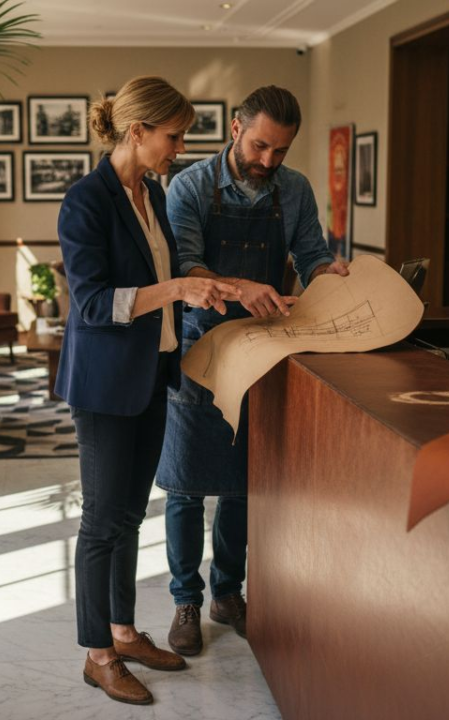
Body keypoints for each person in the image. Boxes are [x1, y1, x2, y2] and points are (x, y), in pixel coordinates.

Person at [56, 76, 239, 705]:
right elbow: (91, 303)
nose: (179, 148)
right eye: (173, 135)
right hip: (104, 386)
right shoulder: (86, 201)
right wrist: (177, 293)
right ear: (138, 132)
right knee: (102, 522)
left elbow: (167, 275)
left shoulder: (152, 196)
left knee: (131, 516)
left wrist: (212, 284)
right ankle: (97, 655)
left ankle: (126, 631)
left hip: (150, 376)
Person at [156, 85, 350, 656]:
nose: (268, 162)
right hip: (201, 343)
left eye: (281, 152)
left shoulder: (294, 191)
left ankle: (226, 593)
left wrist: (330, 274)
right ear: (236, 128)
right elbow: (187, 266)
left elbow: (311, 256)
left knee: (244, 482)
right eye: (261, 145)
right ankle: (184, 600)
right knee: (186, 484)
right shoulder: (188, 186)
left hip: (266, 345)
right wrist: (241, 287)